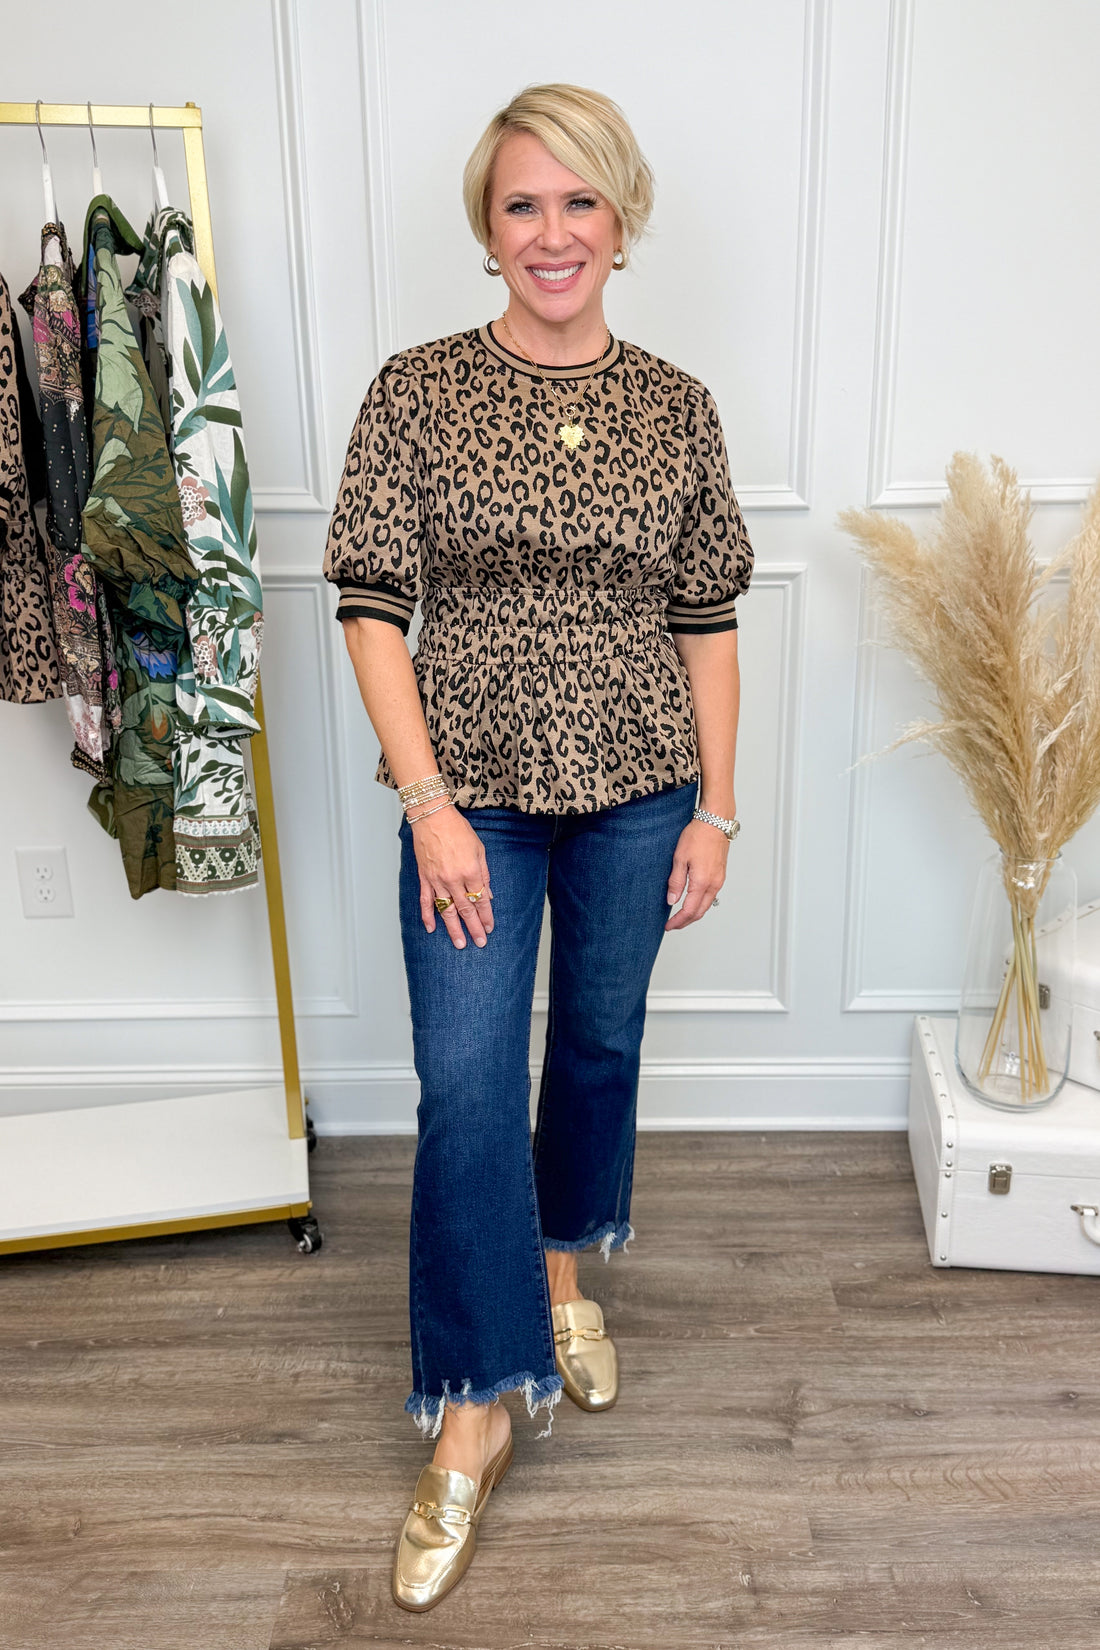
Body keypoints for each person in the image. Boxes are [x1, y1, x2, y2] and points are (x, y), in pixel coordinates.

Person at [322, 81, 753, 1612]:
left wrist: (712, 805)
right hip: (474, 792)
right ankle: (476, 1406)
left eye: (579, 202)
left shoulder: (679, 406)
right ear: (487, 228)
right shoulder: (419, 391)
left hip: (640, 784)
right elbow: (371, 603)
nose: (551, 232)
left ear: (620, 221)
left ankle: (563, 1268)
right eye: (522, 204)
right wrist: (427, 797)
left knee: (598, 1046)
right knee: (463, 1079)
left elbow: (706, 623)